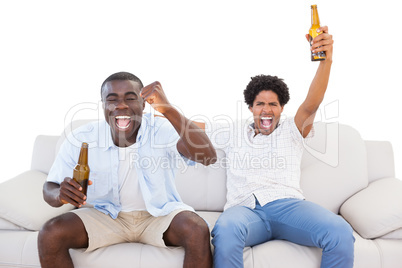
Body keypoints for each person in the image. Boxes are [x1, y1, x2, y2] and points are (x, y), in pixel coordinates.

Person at [37, 72, 217, 268]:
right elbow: (50, 188)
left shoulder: (160, 129)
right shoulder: (82, 137)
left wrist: (167, 109)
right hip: (106, 216)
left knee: (197, 229)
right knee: (50, 233)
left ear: (143, 104)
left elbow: (208, 156)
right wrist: (59, 194)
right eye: (112, 100)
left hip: (157, 215)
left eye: (130, 98)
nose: (121, 105)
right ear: (104, 106)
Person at [210, 26, 355, 268]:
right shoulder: (232, 131)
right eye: (260, 104)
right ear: (250, 108)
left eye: (273, 104)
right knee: (225, 228)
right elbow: (192, 127)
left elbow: (311, 105)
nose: (266, 110)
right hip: (244, 211)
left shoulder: (292, 130)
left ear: (282, 108)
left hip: (288, 208)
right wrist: (157, 111)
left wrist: (325, 62)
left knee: (339, 231)